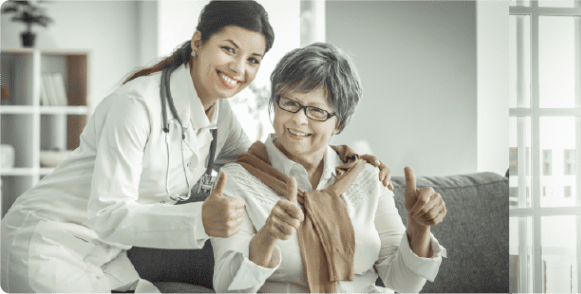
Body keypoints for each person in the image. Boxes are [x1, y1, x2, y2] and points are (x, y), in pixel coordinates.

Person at [0, 2, 389, 293]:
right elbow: (107, 215)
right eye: (230, 50)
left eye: (253, 59)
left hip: (103, 255)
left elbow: (265, 158)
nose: (240, 68)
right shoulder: (135, 106)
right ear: (198, 42)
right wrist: (201, 221)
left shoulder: (222, 115)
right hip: (49, 241)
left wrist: (349, 161)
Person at [210, 42, 447, 293]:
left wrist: (419, 227)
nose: (299, 119)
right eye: (289, 103)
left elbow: (404, 284)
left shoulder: (365, 176)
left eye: (316, 111)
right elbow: (227, 287)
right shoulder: (236, 179)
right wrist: (267, 237)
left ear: (339, 124)